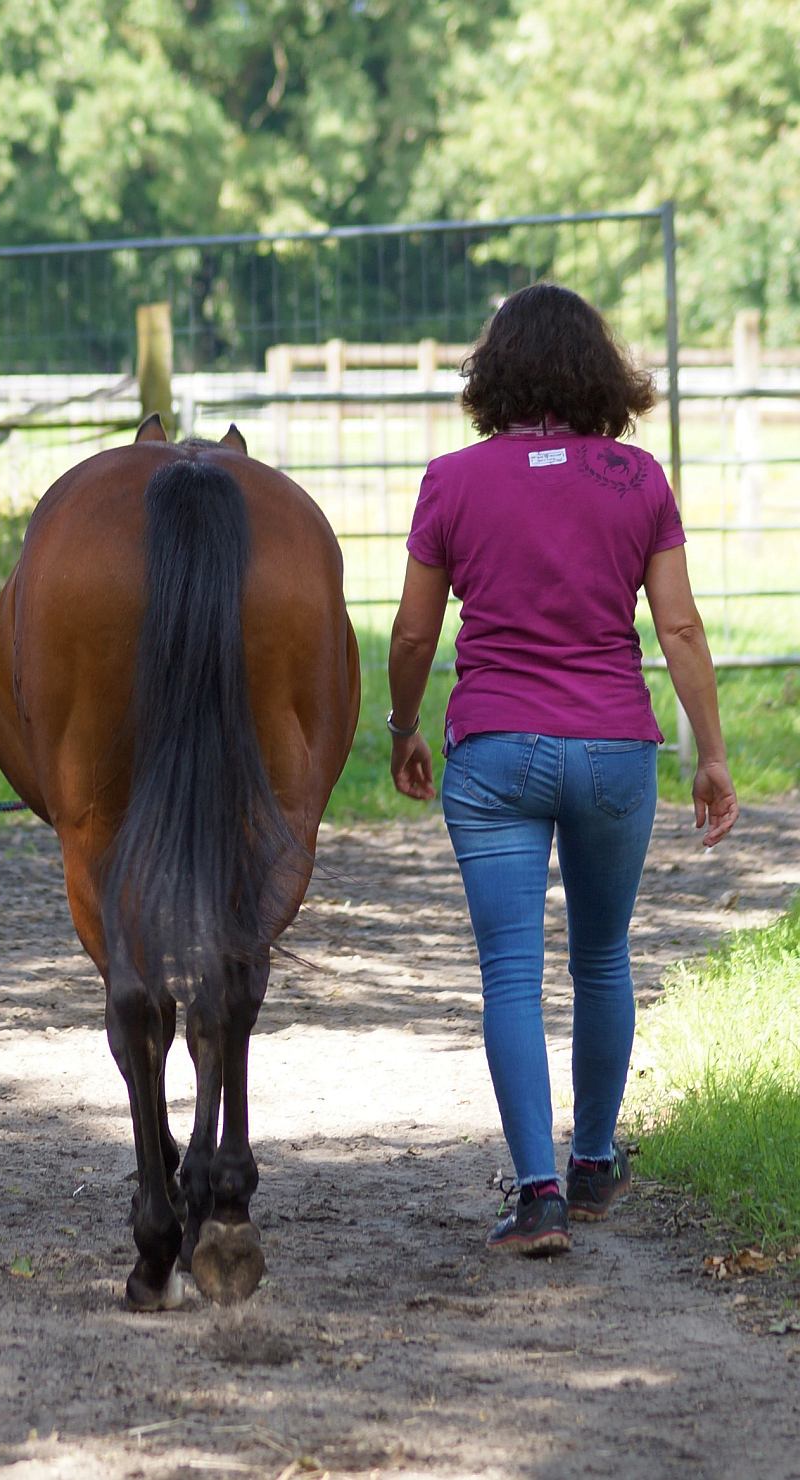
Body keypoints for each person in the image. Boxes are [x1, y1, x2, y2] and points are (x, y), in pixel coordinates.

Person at [386, 282, 739, 1257]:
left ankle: (537, 1194)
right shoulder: (636, 479)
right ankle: (592, 1162)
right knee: (600, 957)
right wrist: (707, 753)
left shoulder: (451, 480)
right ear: (597, 371)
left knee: (509, 970)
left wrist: (400, 726)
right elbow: (676, 625)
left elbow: (415, 628)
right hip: (613, 751)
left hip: (493, 751)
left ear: (490, 373)